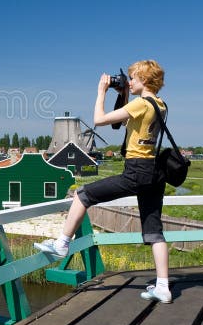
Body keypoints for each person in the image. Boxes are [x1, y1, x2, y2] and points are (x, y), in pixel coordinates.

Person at [35, 60, 172, 303]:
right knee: (154, 231)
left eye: (133, 78)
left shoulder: (140, 104)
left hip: (136, 170)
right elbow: (121, 124)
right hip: (154, 173)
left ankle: (62, 244)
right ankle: (163, 286)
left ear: (144, 80)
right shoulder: (160, 105)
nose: (130, 81)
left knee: (82, 195)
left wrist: (101, 91)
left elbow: (99, 120)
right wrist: (124, 94)